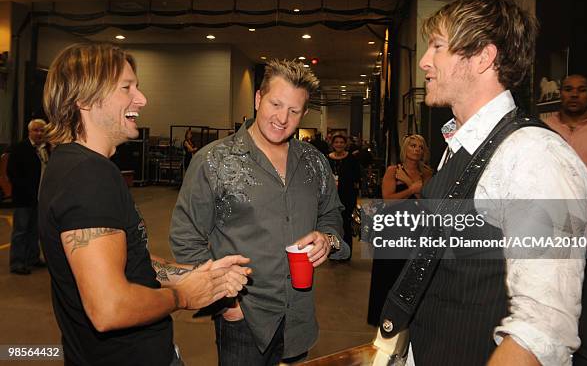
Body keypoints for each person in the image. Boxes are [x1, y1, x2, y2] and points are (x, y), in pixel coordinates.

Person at [378, 0, 587, 365]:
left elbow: (542, 331)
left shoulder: (534, 156)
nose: (425, 61)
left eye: (438, 46)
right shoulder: (460, 144)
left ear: (482, 57)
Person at [38, 43, 251, 366]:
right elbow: (108, 308)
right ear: (84, 98)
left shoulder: (72, 165)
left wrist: (196, 275)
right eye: (127, 87)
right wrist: (183, 296)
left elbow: (127, 260)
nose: (142, 99)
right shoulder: (88, 175)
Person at [170, 59, 349, 366]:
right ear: (258, 99)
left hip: (299, 320)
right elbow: (186, 237)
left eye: (294, 111)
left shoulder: (314, 162)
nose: (282, 118)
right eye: (275, 104)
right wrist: (226, 303)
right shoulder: (213, 161)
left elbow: (332, 214)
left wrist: (328, 240)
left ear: (304, 113)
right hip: (244, 322)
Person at [544, 74, 587, 365]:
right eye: (568, 89)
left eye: (581, 90)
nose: (574, 95)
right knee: (546, 303)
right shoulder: (541, 129)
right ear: (560, 93)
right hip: (547, 234)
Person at [367, 134, 433, 325]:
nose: (417, 149)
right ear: (406, 148)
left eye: (421, 146)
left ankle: (409, 317)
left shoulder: (427, 173)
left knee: (411, 273)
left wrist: (415, 187)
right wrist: (412, 189)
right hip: (393, 228)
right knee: (388, 273)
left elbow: (429, 204)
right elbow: (388, 200)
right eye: (413, 145)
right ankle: (383, 318)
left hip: (417, 229)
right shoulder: (393, 171)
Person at [7, 118, 49, 275]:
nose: (39, 133)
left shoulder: (46, 149)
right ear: (29, 132)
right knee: (21, 231)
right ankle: (17, 262)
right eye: (36, 130)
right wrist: (24, 189)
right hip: (24, 198)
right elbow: (12, 172)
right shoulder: (20, 148)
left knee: (35, 230)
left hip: (40, 198)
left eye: (42, 130)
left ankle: (33, 258)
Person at [327, 133, 361, 259]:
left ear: (345, 144)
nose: (339, 145)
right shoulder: (327, 158)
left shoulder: (351, 159)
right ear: (332, 144)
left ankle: (346, 253)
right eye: (336, 142)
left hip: (347, 196)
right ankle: (333, 252)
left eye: (341, 142)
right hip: (331, 197)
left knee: (345, 224)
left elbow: (357, 176)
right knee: (332, 224)